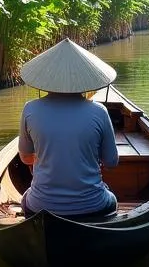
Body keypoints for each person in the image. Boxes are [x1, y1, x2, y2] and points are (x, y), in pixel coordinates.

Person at [16, 38, 119, 218]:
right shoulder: (99, 112)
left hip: (40, 206)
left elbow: (25, 158)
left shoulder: (30, 109)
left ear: (47, 78)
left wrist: (46, 160)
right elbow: (111, 162)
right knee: (112, 198)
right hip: (93, 205)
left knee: (26, 198)